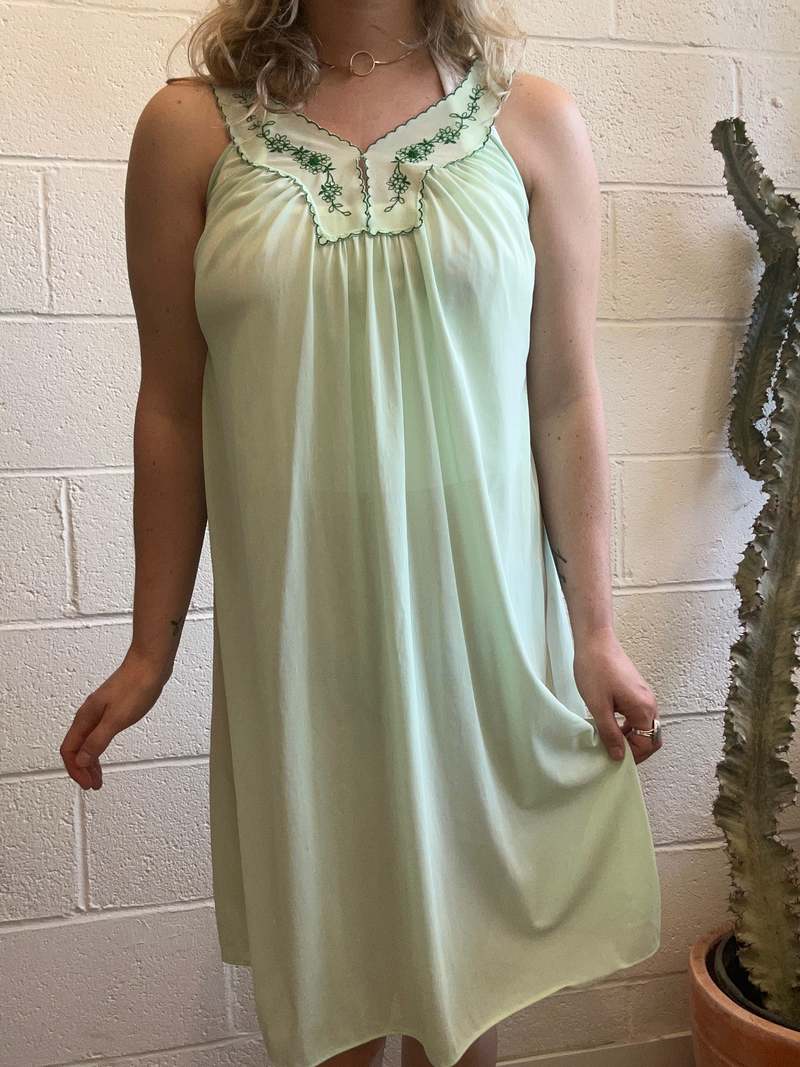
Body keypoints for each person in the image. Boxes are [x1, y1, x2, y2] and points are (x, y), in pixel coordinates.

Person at [60, 2, 664, 1066]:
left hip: (481, 633)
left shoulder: (531, 123)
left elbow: (564, 397)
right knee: (332, 993)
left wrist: (595, 632)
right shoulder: (190, 130)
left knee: (465, 988)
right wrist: (151, 647)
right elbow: (172, 406)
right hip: (301, 637)